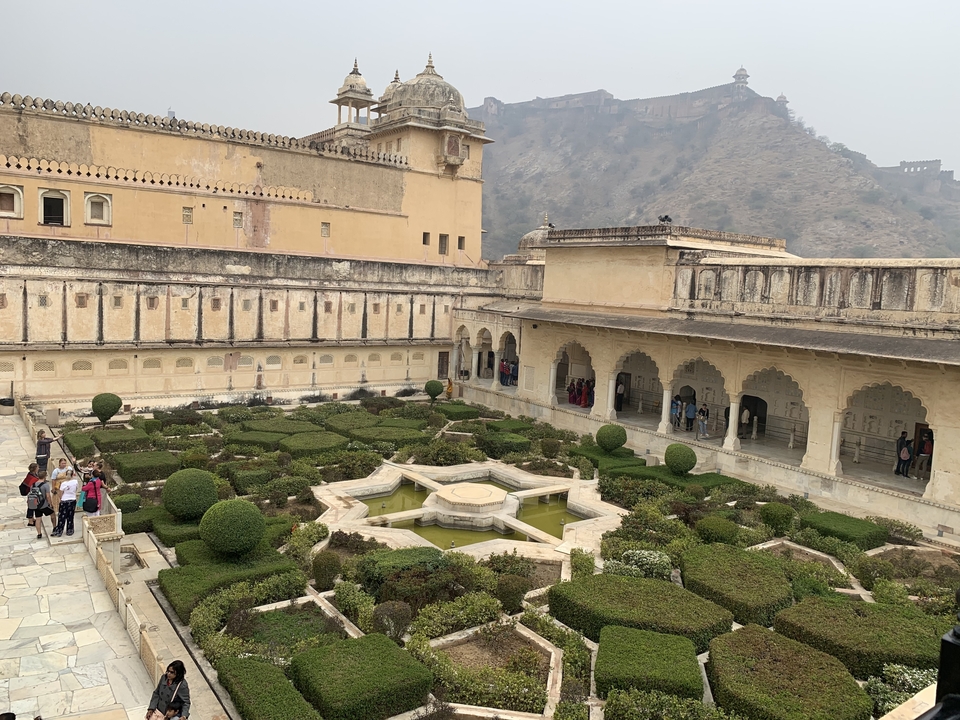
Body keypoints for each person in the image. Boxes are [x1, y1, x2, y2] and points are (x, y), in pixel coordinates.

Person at [27, 471, 55, 541]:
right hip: (44, 504)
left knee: (38, 519)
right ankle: (54, 527)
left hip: (36, 505)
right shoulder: (45, 485)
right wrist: (50, 504)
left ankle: (39, 533)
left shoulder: (33, 485)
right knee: (52, 514)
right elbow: (48, 496)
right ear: (45, 477)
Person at [52, 468, 79, 537]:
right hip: (72, 500)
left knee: (62, 516)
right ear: (72, 475)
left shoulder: (63, 483)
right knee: (70, 516)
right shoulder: (75, 482)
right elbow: (76, 489)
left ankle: (59, 530)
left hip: (64, 500)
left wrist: (61, 499)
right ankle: (70, 530)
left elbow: (61, 493)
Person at [21, 462, 40, 528]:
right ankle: (30, 521)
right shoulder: (33, 477)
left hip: (31, 493)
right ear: (35, 469)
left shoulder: (31, 474)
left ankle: (32, 518)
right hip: (32, 494)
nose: (38, 468)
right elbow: (32, 485)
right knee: (31, 507)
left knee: (32, 506)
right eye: (37, 467)